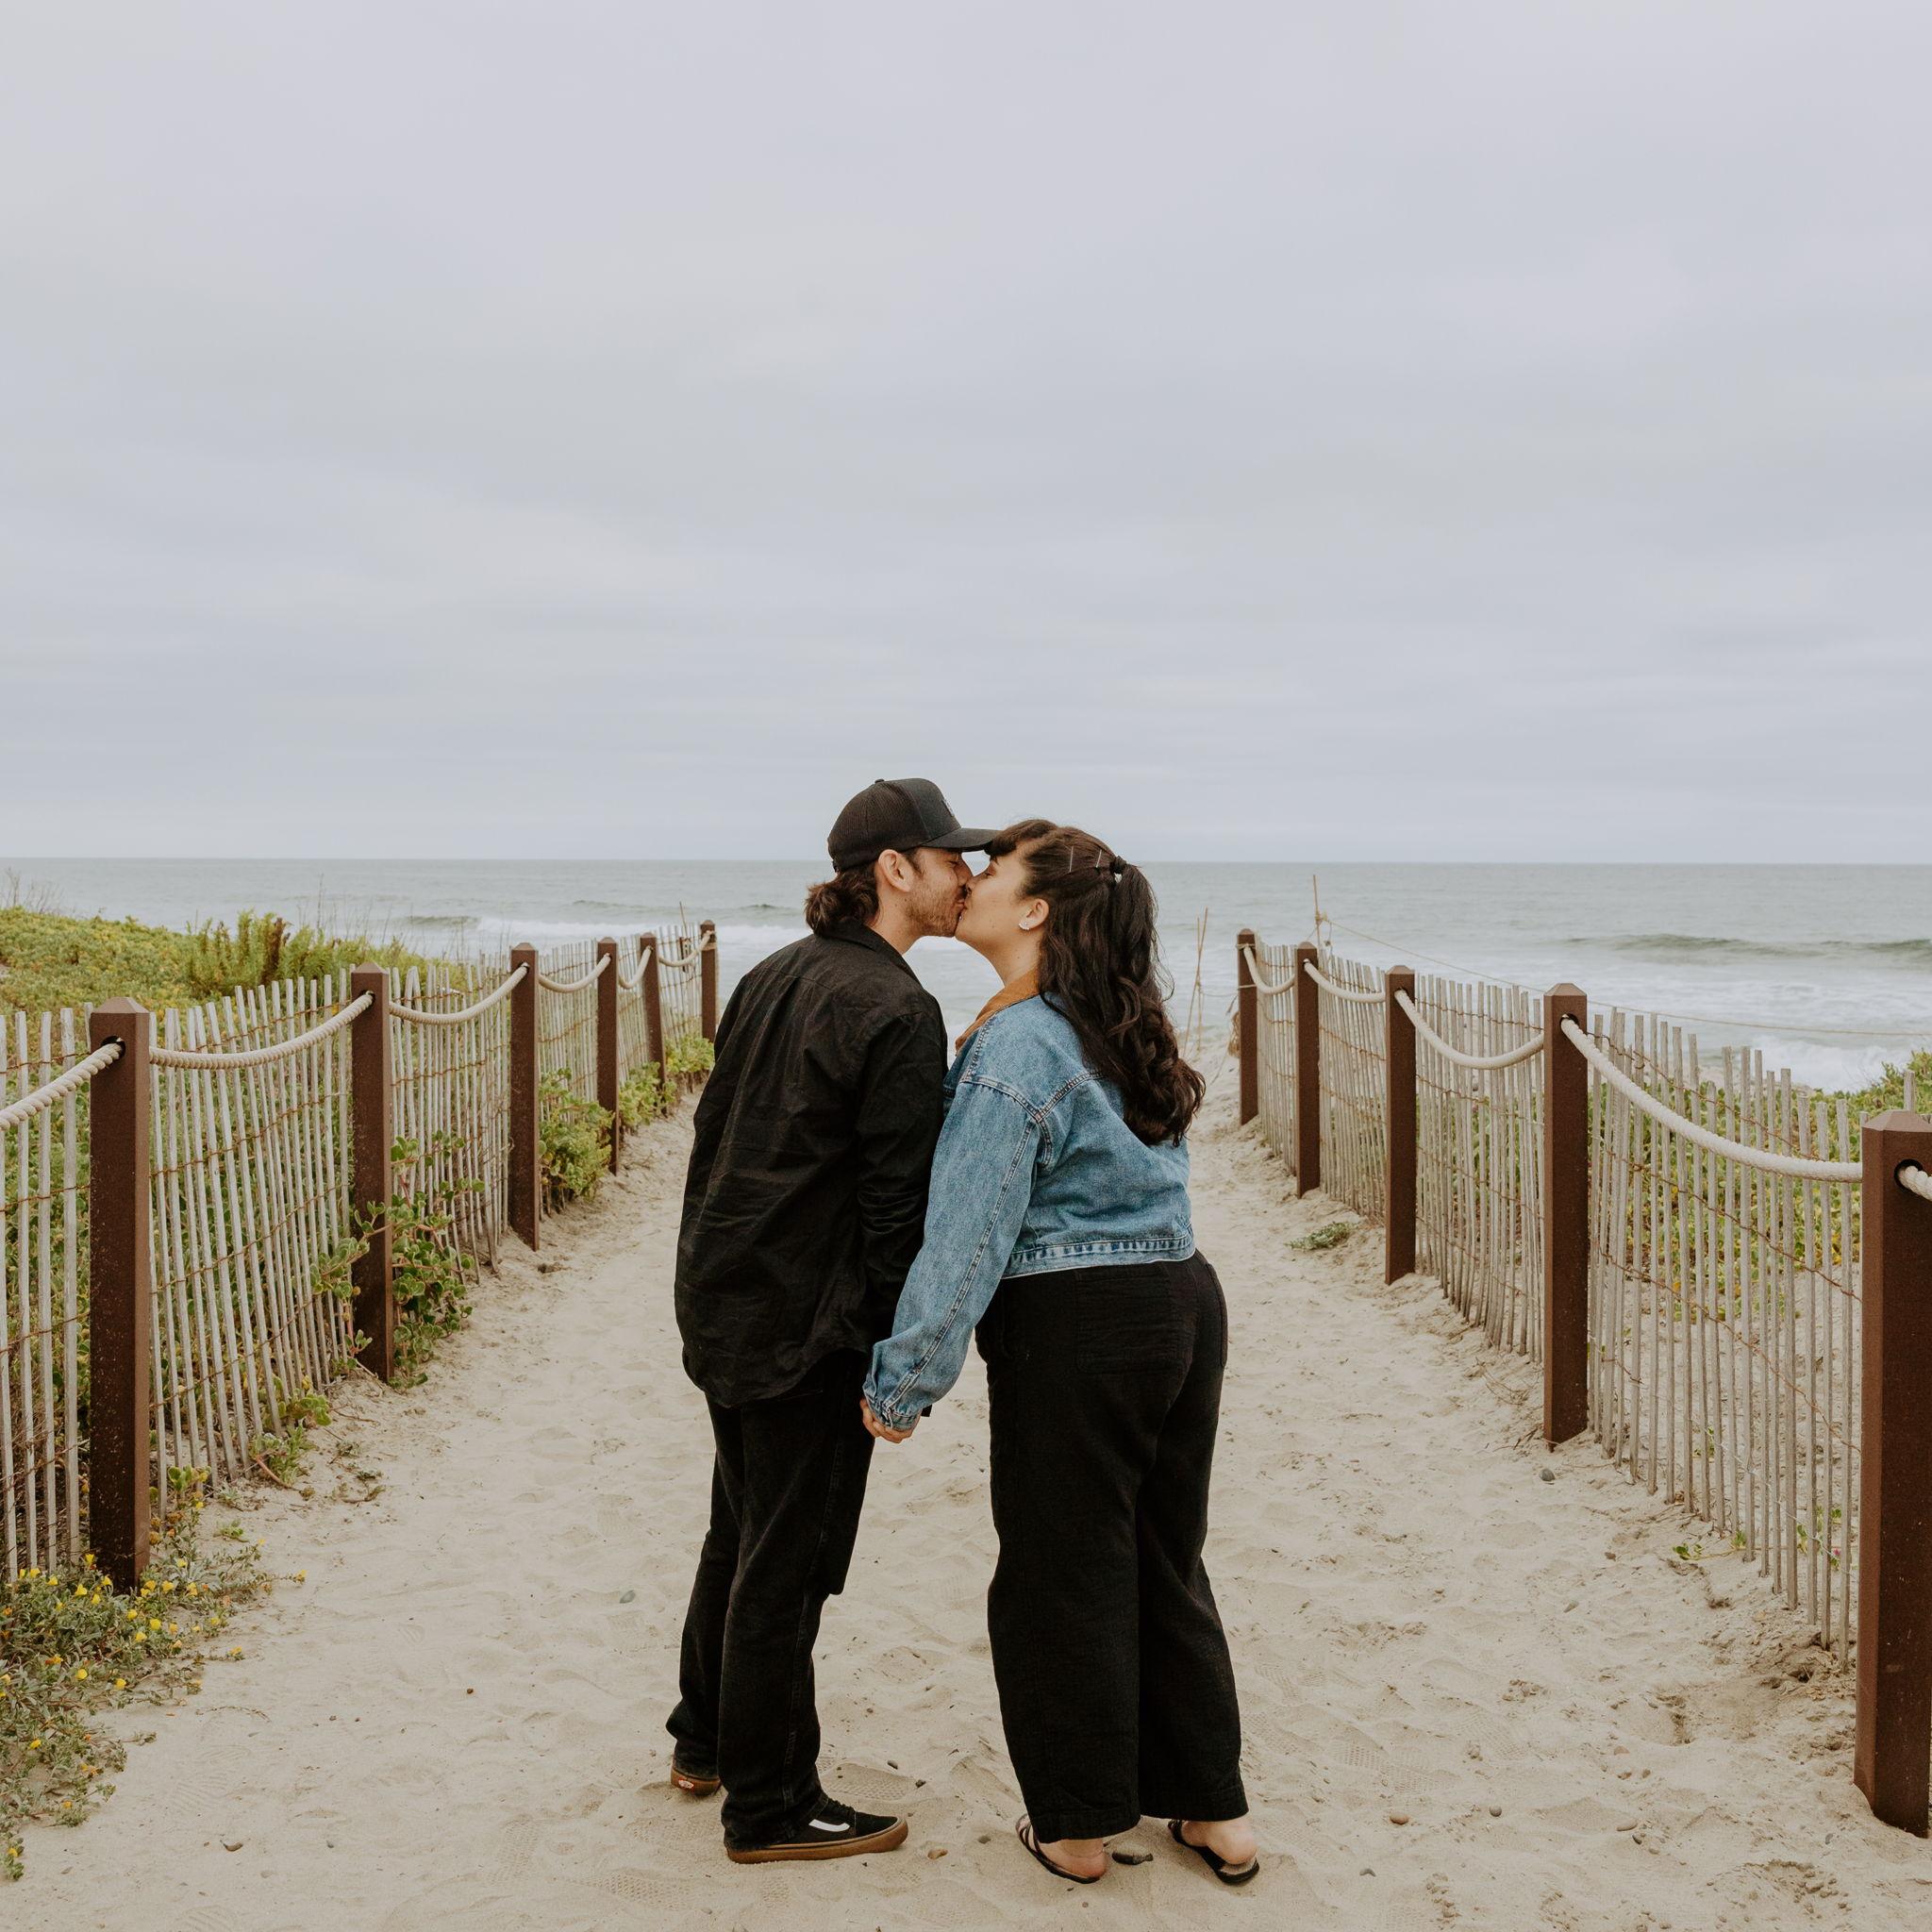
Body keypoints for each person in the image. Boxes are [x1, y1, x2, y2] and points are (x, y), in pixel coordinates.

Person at [861, 821, 1260, 1889]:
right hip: (1182, 1299)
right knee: (1163, 1557)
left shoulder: (1018, 1045)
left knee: (1059, 1571)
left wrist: (905, 1380)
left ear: (1036, 910)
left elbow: (969, 1232)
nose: (972, 879)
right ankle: (1214, 1810)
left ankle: (1077, 1829)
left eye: (994, 870)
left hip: (1078, 1322)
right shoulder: (1121, 1017)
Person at [668, 777, 996, 1864]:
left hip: (726, 1301)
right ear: (893, 870)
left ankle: (704, 1740)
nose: (967, 876)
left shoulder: (773, 973)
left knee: (741, 1529)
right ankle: (768, 1803)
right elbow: (896, 1211)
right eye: (950, 857)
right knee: (788, 1561)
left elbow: (714, 1141)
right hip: (807, 1327)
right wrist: (896, 1358)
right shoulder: (896, 1007)